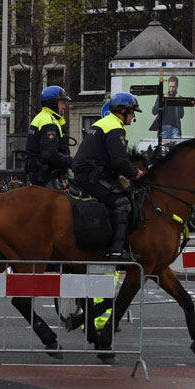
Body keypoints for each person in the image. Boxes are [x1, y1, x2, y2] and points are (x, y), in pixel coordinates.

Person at [72, 91, 145, 261]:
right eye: (132, 111)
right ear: (124, 111)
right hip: (90, 176)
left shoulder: (104, 122)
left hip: (89, 173)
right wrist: (135, 173)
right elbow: (119, 160)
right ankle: (116, 252)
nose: (133, 116)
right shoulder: (115, 127)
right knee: (122, 203)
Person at [24, 85, 73, 189]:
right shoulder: (49, 122)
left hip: (40, 173)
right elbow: (50, 154)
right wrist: (71, 161)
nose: (64, 107)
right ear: (53, 104)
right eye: (62, 103)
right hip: (46, 175)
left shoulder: (41, 117)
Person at [149, 76, 184, 140]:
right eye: (170, 86)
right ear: (168, 86)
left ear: (177, 86)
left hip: (175, 129)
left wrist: (178, 101)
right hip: (163, 128)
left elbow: (181, 115)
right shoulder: (162, 96)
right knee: (162, 148)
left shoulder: (179, 97)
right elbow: (154, 111)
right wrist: (163, 100)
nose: (171, 89)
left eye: (173, 87)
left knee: (176, 148)